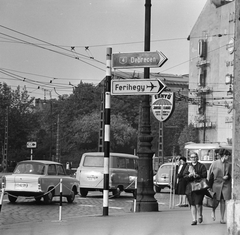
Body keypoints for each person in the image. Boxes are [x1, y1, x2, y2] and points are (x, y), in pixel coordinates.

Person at [208, 149, 231, 224]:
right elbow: (210, 175)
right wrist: (209, 186)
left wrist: (227, 176)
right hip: (216, 184)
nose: (229, 157)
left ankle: (222, 218)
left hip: (225, 184)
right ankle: (213, 211)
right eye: (228, 156)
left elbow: (230, 174)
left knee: (223, 200)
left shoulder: (228, 164)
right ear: (225, 155)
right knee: (215, 200)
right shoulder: (215, 163)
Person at [183, 152, 207, 225]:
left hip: (199, 187)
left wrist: (197, 175)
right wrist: (189, 175)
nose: (193, 158)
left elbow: (204, 175)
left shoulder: (201, 166)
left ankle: (200, 215)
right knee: (192, 204)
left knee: (198, 203)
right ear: (190, 158)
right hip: (190, 188)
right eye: (192, 157)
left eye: (195, 157)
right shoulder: (187, 166)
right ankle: (194, 219)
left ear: (197, 157)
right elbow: (184, 175)